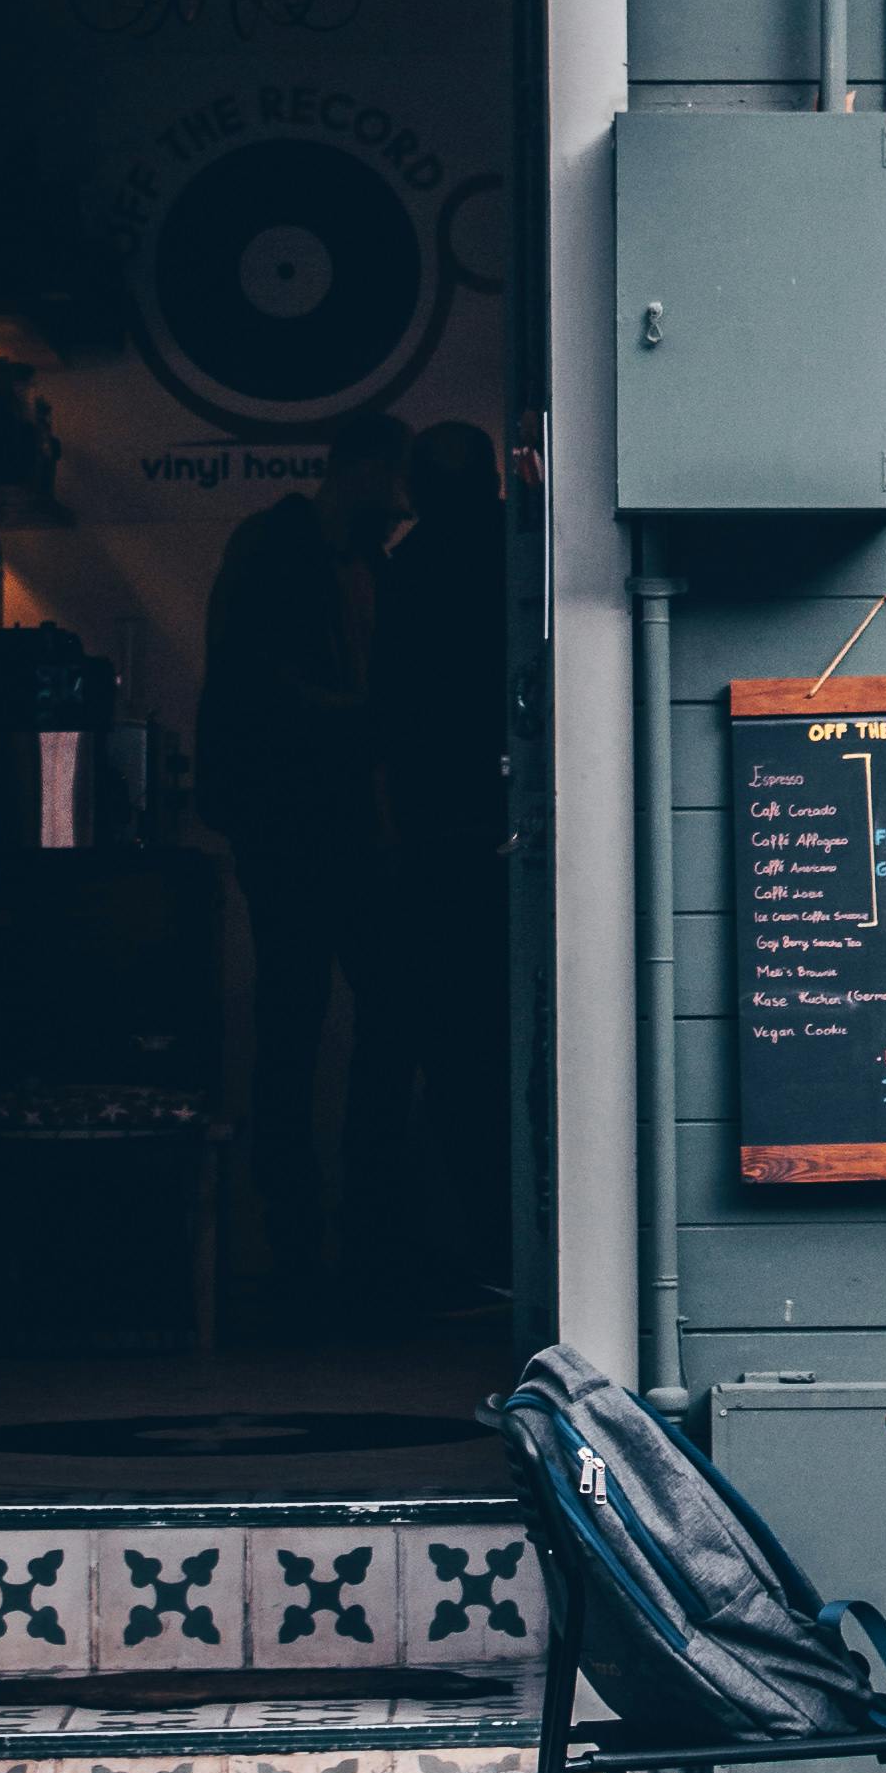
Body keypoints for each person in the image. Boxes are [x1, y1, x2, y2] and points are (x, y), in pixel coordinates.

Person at [192, 404, 411, 1320]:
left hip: (336, 830)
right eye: (393, 480)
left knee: (329, 1024)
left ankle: (340, 1240)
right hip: (299, 829)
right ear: (361, 469)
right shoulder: (290, 552)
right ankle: (316, 1245)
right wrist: (361, 725)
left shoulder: (348, 558)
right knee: (309, 1027)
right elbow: (261, 684)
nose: (401, 503)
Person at [370, 418, 512, 1298]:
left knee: (450, 1051)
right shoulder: (520, 552)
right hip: (515, 832)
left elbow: (386, 717)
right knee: (515, 1042)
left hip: (431, 842)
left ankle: (480, 1248)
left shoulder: (407, 570)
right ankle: (523, 1243)